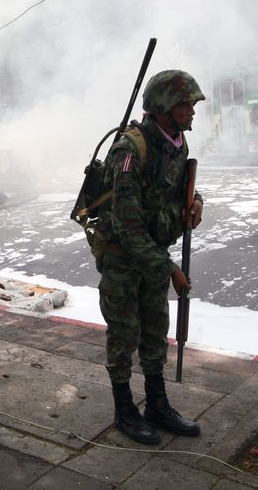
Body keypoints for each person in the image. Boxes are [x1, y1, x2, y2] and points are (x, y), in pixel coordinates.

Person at [90, 70, 206, 445]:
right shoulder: (130, 150)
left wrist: (196, 202)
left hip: (153, 254)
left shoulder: (176, 144)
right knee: (124, 335)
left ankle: (157, 404)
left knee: (156, 330)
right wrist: (168, 267)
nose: (192, 111)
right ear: (163, 107)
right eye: (185, 104)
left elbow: (177, 190)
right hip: (123, 258)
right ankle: (125, 409)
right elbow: (126, 224)